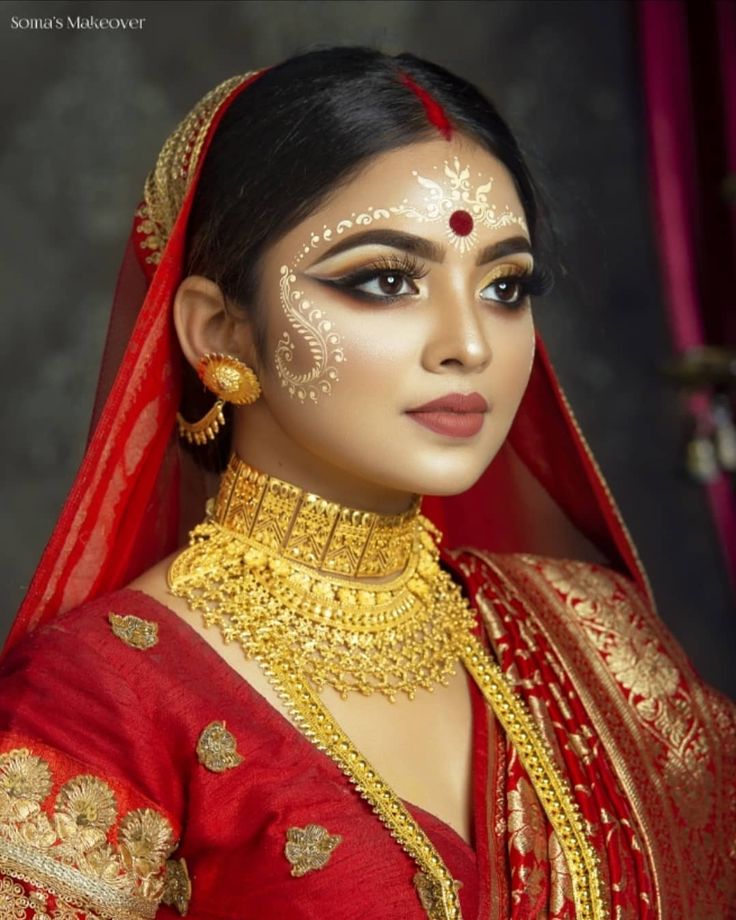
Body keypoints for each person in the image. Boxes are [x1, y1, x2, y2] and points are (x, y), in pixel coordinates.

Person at [0, 47, 733, 920]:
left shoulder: (598, 633)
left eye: (505, 285)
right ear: (218, 332)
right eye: (386, 280)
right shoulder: (98, 703)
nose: (470, 343)